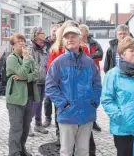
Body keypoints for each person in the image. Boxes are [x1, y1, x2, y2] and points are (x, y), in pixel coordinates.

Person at [46, 26, 102, 156]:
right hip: (67, 114)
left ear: (80, 38)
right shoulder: (58, 62)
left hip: (86, 114)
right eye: (67, 37)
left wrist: (94, 102)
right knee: (66, 151)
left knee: (83, 151)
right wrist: (64, 104)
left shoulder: (89, 63)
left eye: (73, 37)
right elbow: (50, 86)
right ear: (64, 41)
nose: (70, 40)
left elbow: (97, 84)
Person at [101, 37, 134, 156]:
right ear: (122, 54)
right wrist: (119, 117)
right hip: (123, 129)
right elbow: (106, 99)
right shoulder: (113, 74)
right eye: (131, 50)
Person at [6, 33, 40, 156]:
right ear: (13, 46)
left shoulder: (29, 57)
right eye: (18, 42)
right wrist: (26, 62)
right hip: (16, 99)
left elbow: (37, 74)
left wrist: (25, 78)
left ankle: (21, 149)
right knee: (16, 128)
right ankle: (14, 153)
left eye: (22, 41)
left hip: (29, 97)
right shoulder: (11, 58)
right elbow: (22, 72)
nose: (22, 44)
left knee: (26, 127)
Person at [79, 24, 103, 132]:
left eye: (83, 30)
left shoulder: (93, 43)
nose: (81, 32)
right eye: (79, 30)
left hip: (93, 72)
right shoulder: (77, 43)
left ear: (86, 32)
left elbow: (100, 54)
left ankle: (93, 121)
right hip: (81, 74)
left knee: (93, 97)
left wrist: (88, 57)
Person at [28, 27, 49, 136]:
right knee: (34, 104)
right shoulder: (31, 48)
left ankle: (38, 124)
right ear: (35, 35)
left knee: (40, 103)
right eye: (42, 33)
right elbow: (31, 65)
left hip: (43, 80)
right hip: (35, 81)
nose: (44, 34)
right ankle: (27, 126)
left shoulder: (44, 48)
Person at [43, 24, 60, 128]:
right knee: (47, 99)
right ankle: (47, 118)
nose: (54, 33)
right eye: (53, 30)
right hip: (47, 74)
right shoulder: (45, 44)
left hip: (58, 76)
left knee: (57, 100)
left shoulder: (60, 44)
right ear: (50, 32)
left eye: (57, 31)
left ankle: (57, 120)